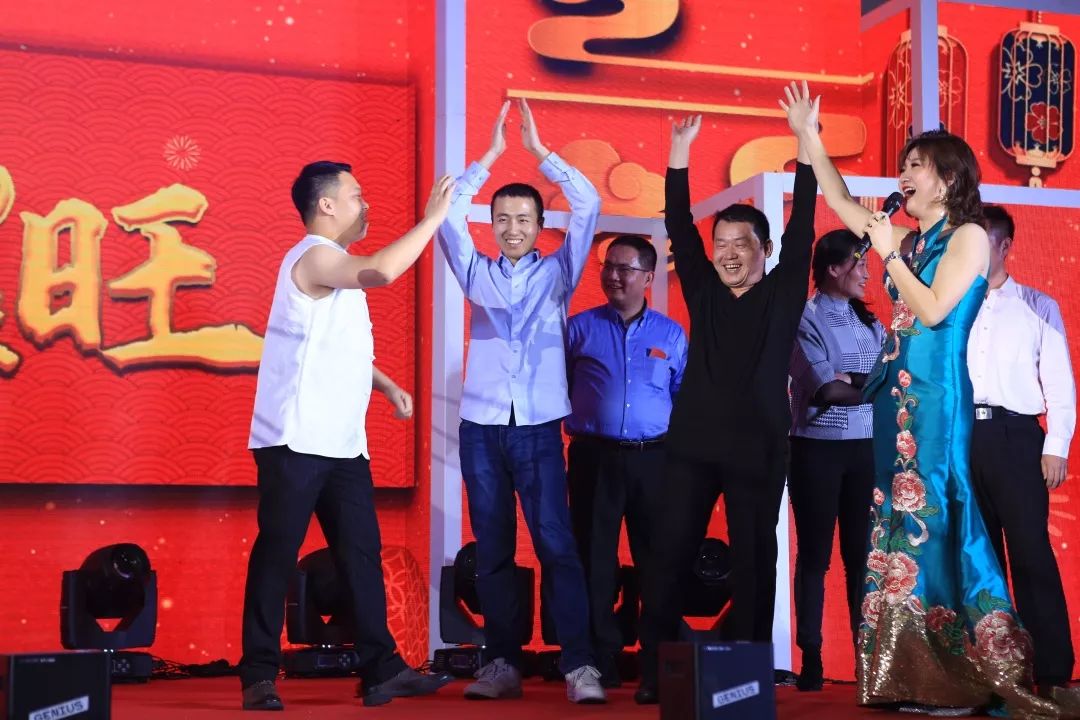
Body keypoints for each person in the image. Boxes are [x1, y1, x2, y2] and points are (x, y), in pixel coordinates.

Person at [788, 79, 1073, 716]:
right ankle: (912, 674)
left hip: (939, 402)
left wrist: (889, 257)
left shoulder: (966, 235)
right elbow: (839, 199)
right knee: (900, 528)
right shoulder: (910, 238)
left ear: (947, 179)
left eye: (915, 166)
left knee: (939, 521)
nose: (903, 176)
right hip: (896, 400)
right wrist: (809, 137)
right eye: (903, 166)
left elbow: (935, 309)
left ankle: (965, 675)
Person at [239, 161, 455, 710]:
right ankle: (258, 673)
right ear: (327, 204)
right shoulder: (314, 256)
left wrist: (385, 385)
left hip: (342, 443)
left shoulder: (333, 265)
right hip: (294, 438)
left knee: (361, 554)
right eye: (356, 195)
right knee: (278, 553)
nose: (366, 204)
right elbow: (382, 271)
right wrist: (433, 219)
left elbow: (332, 346)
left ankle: (381, 669)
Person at [634, 107, 818, 704]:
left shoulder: (783, 292)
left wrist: (805, 142)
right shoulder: (704, 289)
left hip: (759, 451)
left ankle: (745, 682)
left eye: (742, 243)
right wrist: (679, 153)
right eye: (721, 244)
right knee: (667, 557)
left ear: (766, 248)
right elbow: (678, 224)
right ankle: (653, 674)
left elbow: (805, 223)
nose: (729, 253)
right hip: (692, 447)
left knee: (755, 564)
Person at [438, 99, 606, 704]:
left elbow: (588, 203)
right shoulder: (473, 270)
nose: (513, 228)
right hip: (482, 427)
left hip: (537, 428)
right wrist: (488, 156)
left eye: (524, 219)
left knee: (557, 544)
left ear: (539, 226)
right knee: (493, 549)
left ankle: (579, 665)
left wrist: (539, 153)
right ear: (491, 224)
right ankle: (502, 662)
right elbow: (446, 210)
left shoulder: (559, 272)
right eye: (503, 219)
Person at [564, 234, 688, 688]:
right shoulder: (578, 329)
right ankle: (600, 658)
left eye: (625, 269)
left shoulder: (671, 334)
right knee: (594, 559)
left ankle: (657, 661)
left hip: (654, 459)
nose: (614, 276)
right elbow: (558, 387)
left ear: (648, 278)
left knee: (656, 561)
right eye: (609, 267)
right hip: (593, 457)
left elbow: (681, 396)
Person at [968, 205, 1077, 701]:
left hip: (1016, 437)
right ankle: (990, 672)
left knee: (1030, 553)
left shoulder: (1038, 305)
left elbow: (1059, 383)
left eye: (982, 242)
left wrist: (1056, 446)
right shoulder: (954, 307)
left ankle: (1052, 670)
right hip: (964, 436)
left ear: (1005, 245)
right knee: (979, 557)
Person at [788, 229, 884, 691]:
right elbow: (826, 390)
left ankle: (868, 660)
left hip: (866, 449)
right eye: (858, 263)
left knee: (862, 556)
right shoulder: (804, 318)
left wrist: (853, 380)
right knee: (815, 555)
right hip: (816, 449)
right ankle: (811, 656)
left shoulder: (871, 322)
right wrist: (871, 385)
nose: (866, 272)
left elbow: (886, 378)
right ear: (833, 268)